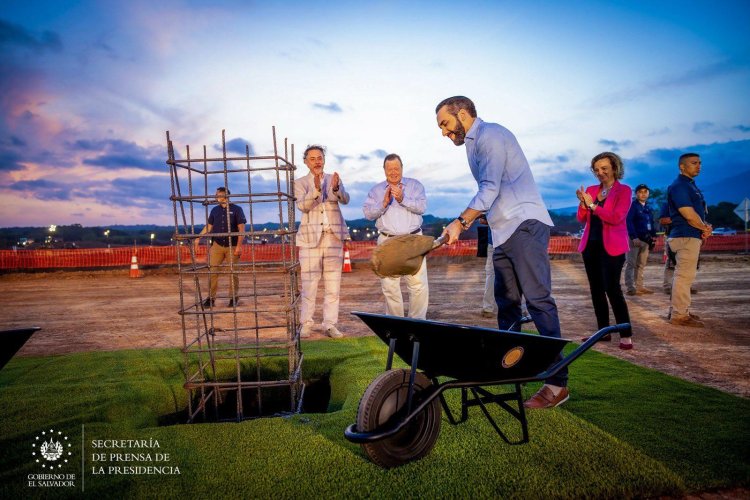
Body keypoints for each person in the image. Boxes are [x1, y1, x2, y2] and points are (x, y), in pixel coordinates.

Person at [435, 96, 567, 410]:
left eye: (444, 123)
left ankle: (557, 384)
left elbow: (490, 188)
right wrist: (478, 216)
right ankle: (509, 371)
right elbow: (493, 194)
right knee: (507, 305)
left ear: (462, 114)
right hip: (503, 230)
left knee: (538, 300)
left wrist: (461, 221)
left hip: (524, 224)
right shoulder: (471, 145)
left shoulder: (490, 135)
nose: (442, 132)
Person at [576, 152, 634, 350]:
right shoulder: (592, 189)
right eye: (596, 169)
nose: (599, 173)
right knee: (596, 290)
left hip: (613, 247)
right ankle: (603, 332)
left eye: (604, 168)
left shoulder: (624, 191)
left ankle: (625, 334)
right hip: (590, 246)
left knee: (612, 289)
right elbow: (582, 219)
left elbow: (616, 217)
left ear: (615, 168)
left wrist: (592, 205)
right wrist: (584, 204)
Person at [363, 153, 429, 319]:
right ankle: (396, 326)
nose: (393, 172)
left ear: (402, 168)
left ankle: (417, 325)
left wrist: (402, 198)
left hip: (412, 240)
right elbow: (369, 214)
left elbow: (422, 207)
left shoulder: (415, 186)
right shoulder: (376, 190)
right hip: (388, 241)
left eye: (396, 168)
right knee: (390, 287)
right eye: (389, 169)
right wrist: (383, 204)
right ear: (384, 170)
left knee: (417, 286)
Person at [295, 145, 351, 338]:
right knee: (309, 284)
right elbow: (302, 206)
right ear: (306, 162)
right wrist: (317, 190)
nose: (317, 161)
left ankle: (330, 324)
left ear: (324, 159)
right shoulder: (300, 183)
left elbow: (345, 199)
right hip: (310, 239)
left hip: (333, 237)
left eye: (319, 157)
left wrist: (336, 188)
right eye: (312, 158)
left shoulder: (333, 179)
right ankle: (306, 323)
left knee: (333, 285)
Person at [666, 153, 711, 327]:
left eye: (700, 163)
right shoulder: (680, 186)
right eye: (694, 163)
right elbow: (688, 214)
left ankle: (680, 310)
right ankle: (679, 315)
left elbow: (697, 215)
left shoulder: (690, 186)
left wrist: (705, 225)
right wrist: (704, 228)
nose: (698, 166)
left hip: (688, 235)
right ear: (682, 167)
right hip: (684, 235)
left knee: (684, 277)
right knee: (683, 277)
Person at [193, 187, 246, 307]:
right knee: (212, 272)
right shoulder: (214, 210)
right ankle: (211, 299)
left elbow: (241, 229)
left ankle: (233, 298)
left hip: (232, 246)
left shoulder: (237, 209)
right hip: (216, 245)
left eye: (218, 194)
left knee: (233, 273)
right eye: (216, 194)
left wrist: (239, 246)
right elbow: (209, 226)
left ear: (225, 195)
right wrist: (198, 237)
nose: (216, 196)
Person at [624, 184, 656, 295]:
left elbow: (651, 223)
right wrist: (633, 237)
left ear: (648, 193)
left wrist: (653, 235)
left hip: (645, 240)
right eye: (640, 192)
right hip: (635, 240)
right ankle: (630, 288)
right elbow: (628, 222)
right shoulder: (633, 206)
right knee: (631, 264)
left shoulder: (647, 207)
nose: (643, 194)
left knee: (641, 265)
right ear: (636, 194)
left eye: (645, 192)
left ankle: (639, 287)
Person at [659, 202, 698, 295]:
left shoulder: (693, 205)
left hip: (690, 235)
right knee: (671, 262)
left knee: (688, 263)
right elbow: (663, 220)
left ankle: (686, 285)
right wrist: (682, 219)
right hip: (673, 235)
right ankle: (668, 286)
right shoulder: (668, 204)